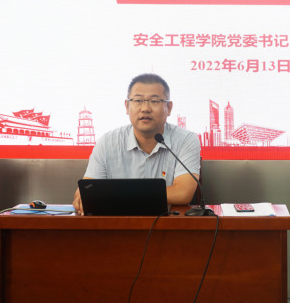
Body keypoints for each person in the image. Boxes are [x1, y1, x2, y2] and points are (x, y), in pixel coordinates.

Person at [72, 73, 200, 215]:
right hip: (116, 224)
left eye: (154, 101)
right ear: (127, 106)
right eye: (138, 100)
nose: (145, 108)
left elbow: (183, 193)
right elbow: (86, 191)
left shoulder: (186, 140)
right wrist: (83, 197)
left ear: (169, 108)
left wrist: (114, 194)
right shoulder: (107, 142)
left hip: (167, 224)